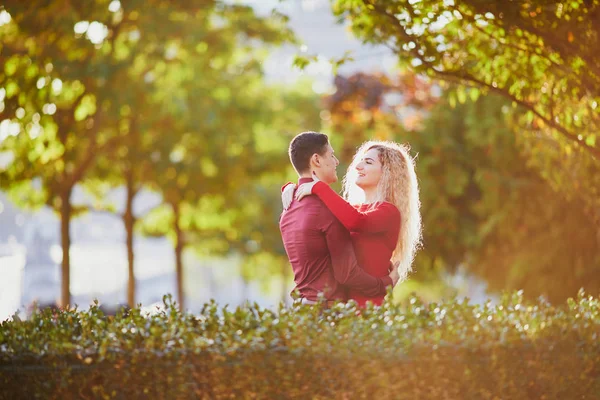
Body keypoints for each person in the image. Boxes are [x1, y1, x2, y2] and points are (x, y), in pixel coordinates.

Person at [282, 140, 421, 307]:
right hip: (344, 308)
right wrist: (292, 188)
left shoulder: (388, 212)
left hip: (367, 307)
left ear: (388, 172)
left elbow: (357, 222)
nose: (358, 166)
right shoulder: (353, 209)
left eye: (368, 162)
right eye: (360, 161)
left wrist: (318, 187)